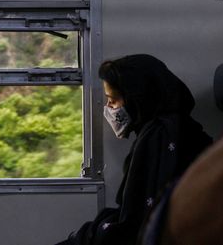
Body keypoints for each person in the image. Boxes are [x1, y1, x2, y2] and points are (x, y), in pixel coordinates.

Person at [56, 54, 212, 245]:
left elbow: (134, 224)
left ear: (136, 100)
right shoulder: (183, 128)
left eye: (113, 100)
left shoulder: (158, 137)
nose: (109, 108)